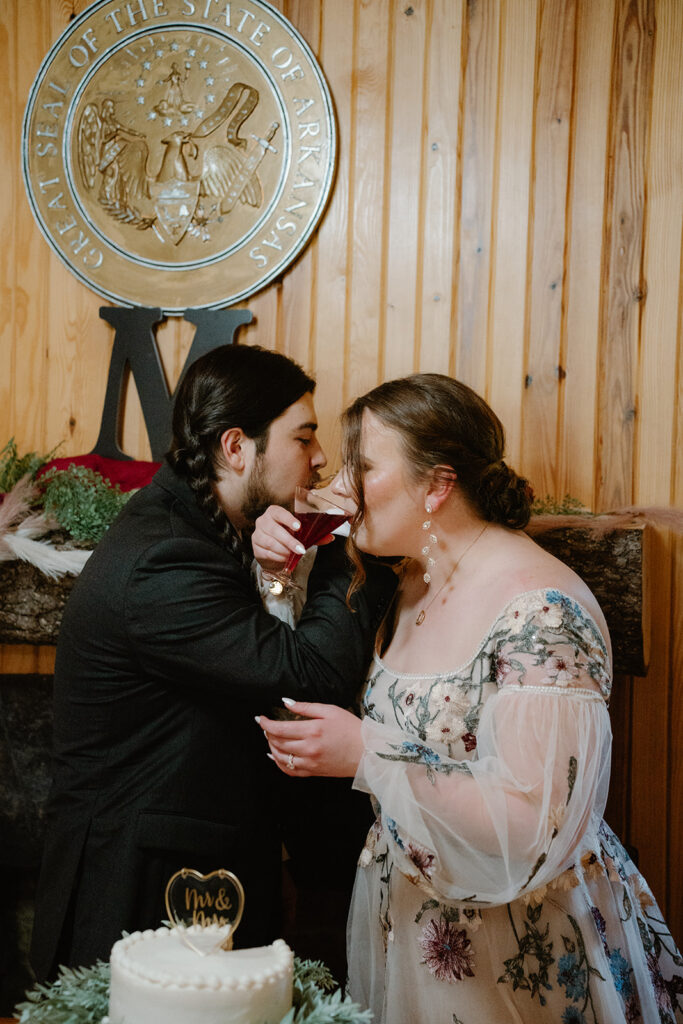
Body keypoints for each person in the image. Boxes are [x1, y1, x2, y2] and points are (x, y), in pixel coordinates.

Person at [254, 373, 683, 1023]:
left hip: (514, 948)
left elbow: (537, 825)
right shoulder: (412, 577)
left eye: (361, 468)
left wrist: (366, 756)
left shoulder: (540, 613)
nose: (341, 489)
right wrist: (276, 563)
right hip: (412, 923)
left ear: (437, 484)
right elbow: (301, 655)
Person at [30, 344, 395, 983]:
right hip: (140, 888)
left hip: (193, 864)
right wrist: (342, 549)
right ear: (236, 446)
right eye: (303, 437)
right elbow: (311, 675)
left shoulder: (199, 526)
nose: (319, 460)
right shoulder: (164, 562)